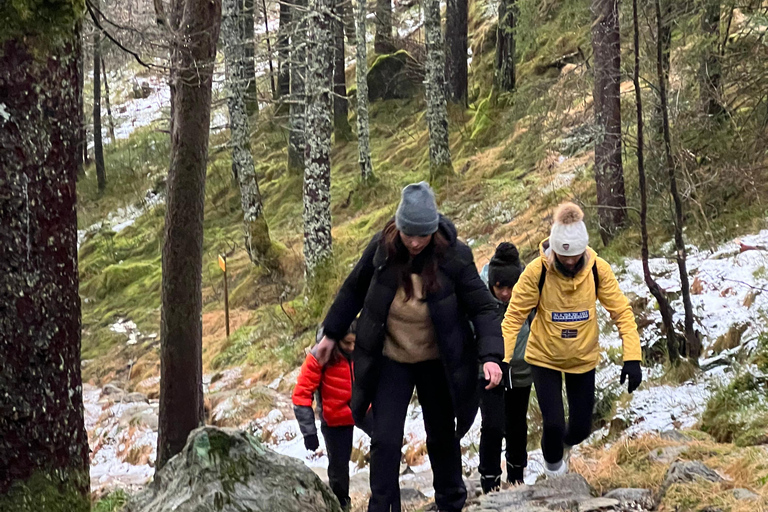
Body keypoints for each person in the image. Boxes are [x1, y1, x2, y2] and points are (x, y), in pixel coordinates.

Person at [314, 182, 504, 512]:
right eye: (408, 234)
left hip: (437, 361)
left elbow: (483, 307)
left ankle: (450, 504)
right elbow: (352, 291)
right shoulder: (382, 250)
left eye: (422, 235)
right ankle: (384, 507)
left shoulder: (454, 255)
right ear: (398, 228)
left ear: (433, 231)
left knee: (443, 436)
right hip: (391, 359)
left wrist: (491, 357)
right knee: (385, 439)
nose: (415, 242)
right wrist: (330, 335)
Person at [501, 202, 642, 477]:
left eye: (575, 256)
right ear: (553, 248)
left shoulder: (597, 270)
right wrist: (503, 358)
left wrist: (632, 356)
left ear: (583, 252)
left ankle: (561, 448)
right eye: (563, 256)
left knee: (580, 429)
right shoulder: (536, 272)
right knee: (552, 425)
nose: (568, 261)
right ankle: (554, 472)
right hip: (545, 358)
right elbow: (514, 317)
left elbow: (622, 312)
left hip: (582, 358)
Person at [478, 242, 534, 492]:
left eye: (511, 288)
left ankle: (517, 476)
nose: (505, 293)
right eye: (500, 287)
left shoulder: (530, 290)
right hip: (488, 369)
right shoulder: (478, 294)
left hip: (522, 367)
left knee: (517, 423)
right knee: (492, 425)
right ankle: (489, 480)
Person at [293, 321, 359, 511]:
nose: (352, 348)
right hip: (335, 419)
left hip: (365, 411)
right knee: (339, 469)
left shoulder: (364, 348)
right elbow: (301, 394)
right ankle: (341, 506)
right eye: (347, 343)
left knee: (385, 450)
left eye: (355, 343)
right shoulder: (320, 354)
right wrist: (309, 434)